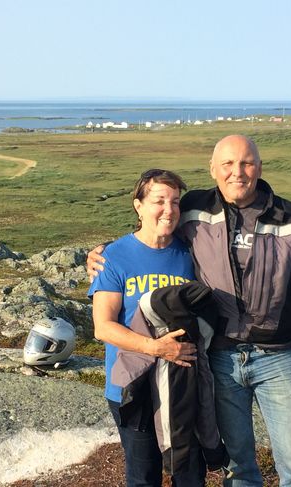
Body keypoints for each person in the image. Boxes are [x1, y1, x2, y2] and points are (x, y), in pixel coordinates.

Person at [89, 135, 291, 486]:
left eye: (247, 163)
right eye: (228, 164)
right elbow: (149, 234)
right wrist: (103, 253)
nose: (238, 172)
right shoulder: (195, 210)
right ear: (213, 170)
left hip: (276, 358)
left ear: (260, 167)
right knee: (237, 467)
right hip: (217, 358)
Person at [88, 169, 206, 487]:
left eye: (175, 202)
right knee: (143, 475)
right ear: (138, 206)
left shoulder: (191, 254)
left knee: (190, 473)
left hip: (181, 385)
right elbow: (103, 327)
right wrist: (155, 348)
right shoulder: (113, 257)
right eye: (159, 201)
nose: (169, 210)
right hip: (133, 385)